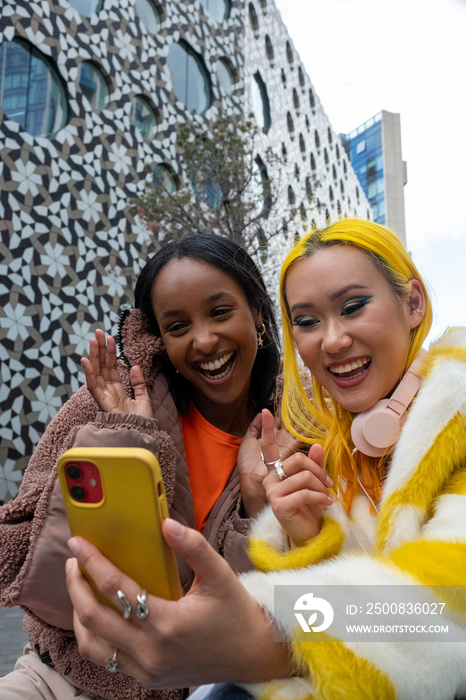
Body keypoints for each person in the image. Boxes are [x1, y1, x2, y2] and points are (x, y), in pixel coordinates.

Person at [65, 219, 466, 699]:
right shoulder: (337, 447)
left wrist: (262, 633)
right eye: (307, 320)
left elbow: (441, 604)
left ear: (413, 303)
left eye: (353, 306)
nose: (332, 340)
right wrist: (309, 535)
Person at [0, 234, 301, 700]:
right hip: (58, 675)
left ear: (258, 312)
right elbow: (24, 558)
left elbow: (268, 614)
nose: (204, 340)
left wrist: (255, 510)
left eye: (220, 312)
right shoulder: (109, 400)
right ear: (159, 336)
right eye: (178, 326)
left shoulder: (293, 431)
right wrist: (127, 440)